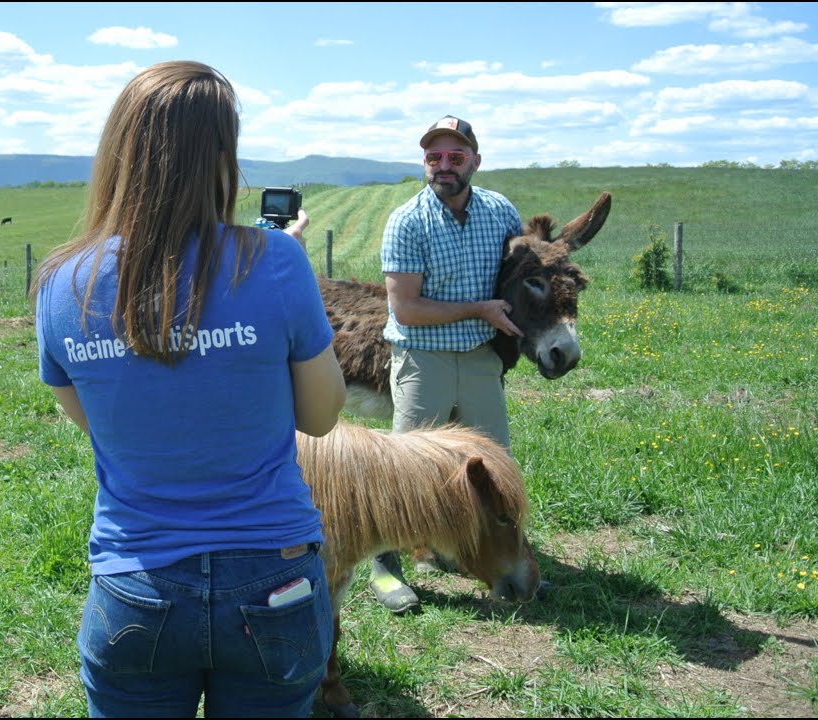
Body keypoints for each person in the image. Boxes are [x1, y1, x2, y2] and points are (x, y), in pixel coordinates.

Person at [32, 61, 347, 718]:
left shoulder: (62, 285)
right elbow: (321, 417)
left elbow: (103, 426)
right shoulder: (279, 262)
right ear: (221, 157)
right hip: (274, 579)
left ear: (118, 153)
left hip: (135, 587)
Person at [367, 115, 525, 615]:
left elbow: (519, 278)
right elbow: (407, 309)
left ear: (475, 161)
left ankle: (478, 550)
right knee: (404, 469)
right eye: (434, 157)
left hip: (479, 357)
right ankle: (384, 566)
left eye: (455, 157)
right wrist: (480, 309)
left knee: (492, 467)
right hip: (423, 355)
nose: (443, 166)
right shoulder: (407, 221)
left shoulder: (500, 212)